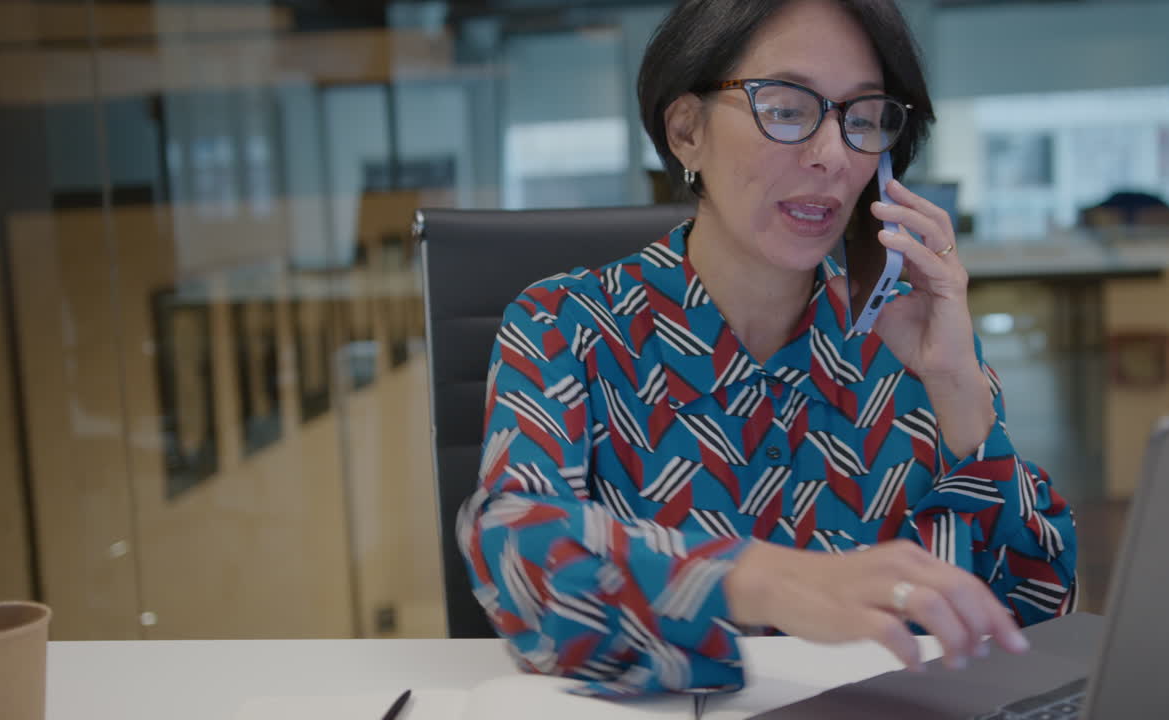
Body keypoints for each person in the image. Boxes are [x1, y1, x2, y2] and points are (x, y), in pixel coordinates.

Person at [457, 0, 1077, 697]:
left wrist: (960, 391)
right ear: (687, 132)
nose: (833, 155)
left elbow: (1041, 620)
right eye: (785, 108)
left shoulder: (907, 343)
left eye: (864, 119)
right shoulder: (567, 325)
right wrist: (765, 581)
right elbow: (516, 546)